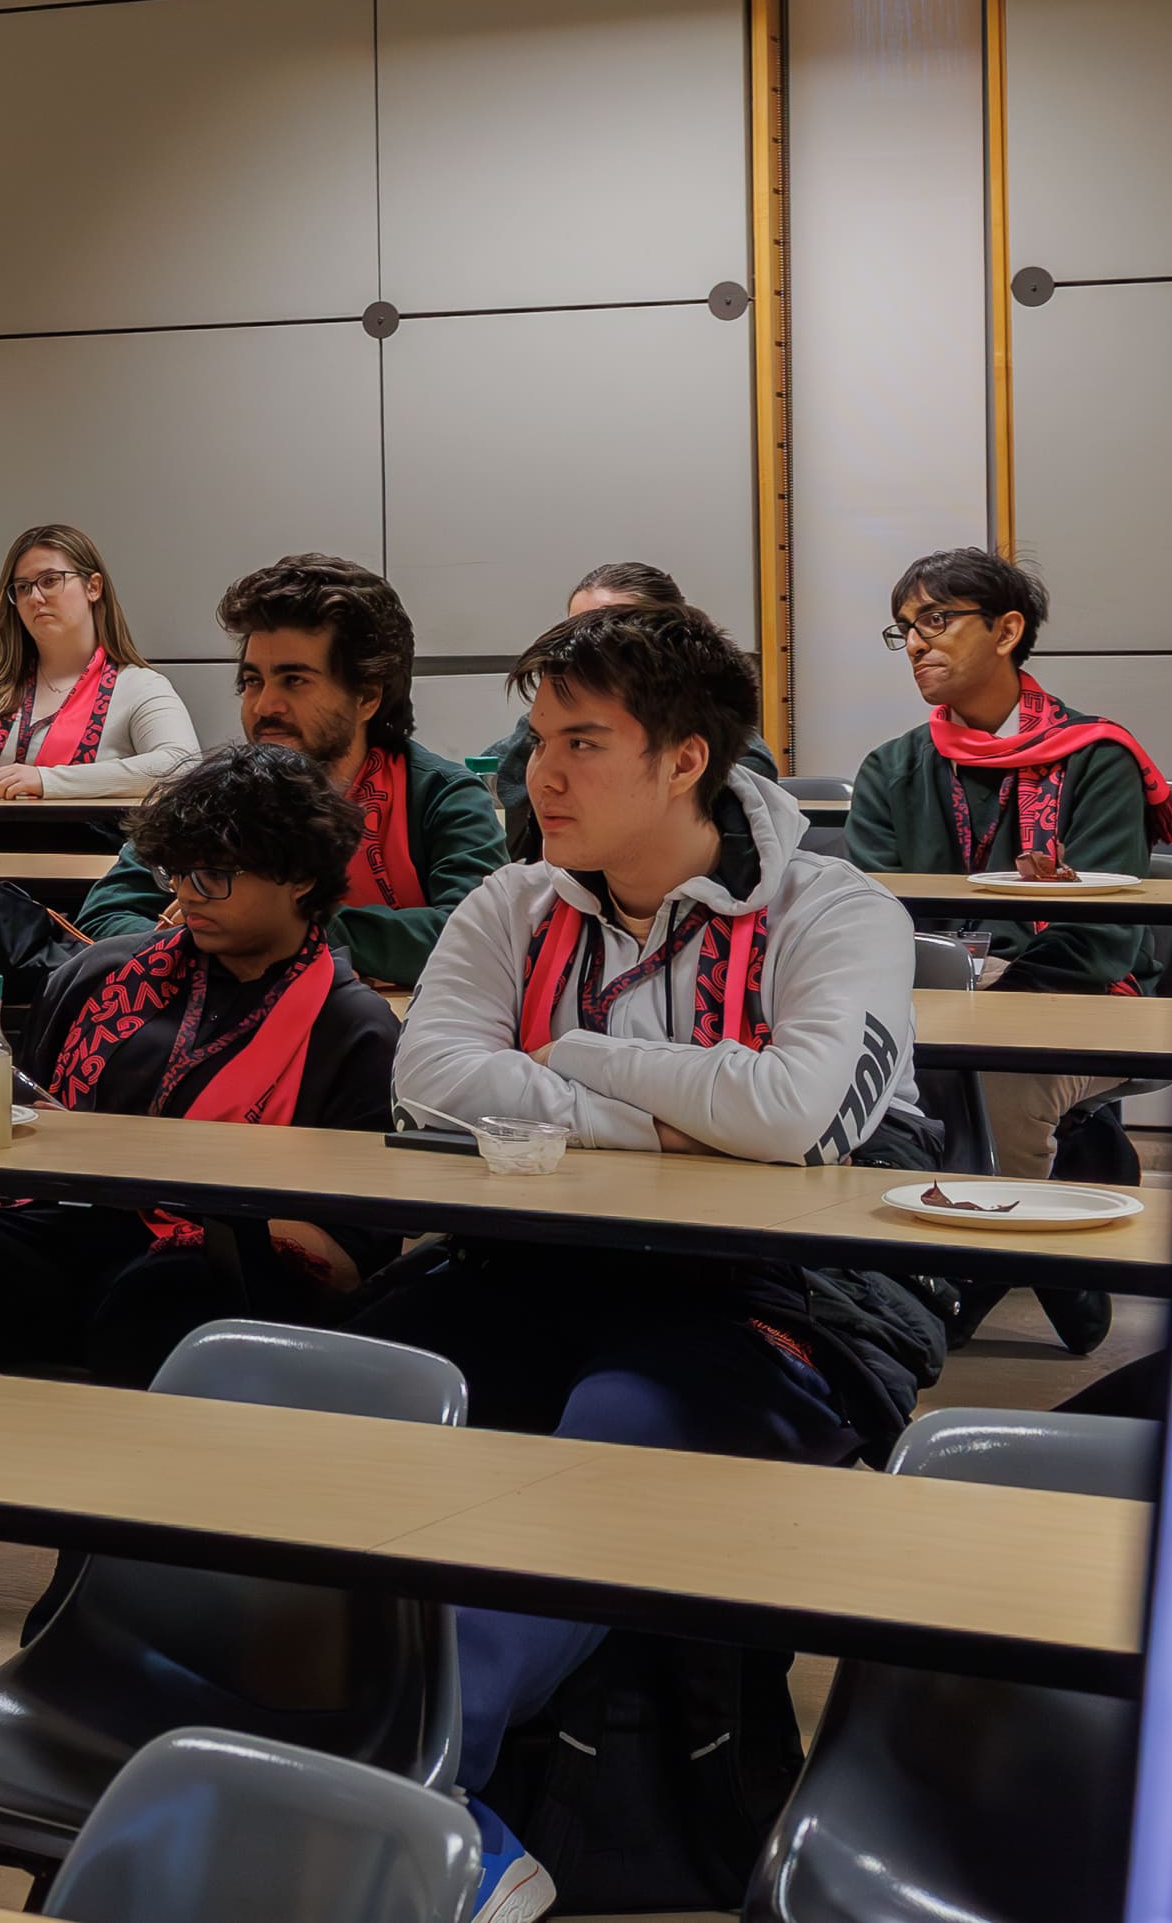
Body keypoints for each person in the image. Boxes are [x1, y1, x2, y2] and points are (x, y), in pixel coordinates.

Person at [355, 601, 941, 1923]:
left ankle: (410, 1784)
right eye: (534, 739)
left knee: (618, 1426)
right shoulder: (510, 902)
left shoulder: (833, 910)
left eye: (583, 741)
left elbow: (794, 1115)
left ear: (686, 758)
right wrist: (682, 1107)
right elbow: (431, 1075)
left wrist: (572, 1056)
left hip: (787, 1291)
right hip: (542, 1261)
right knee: (355, 1382)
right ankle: (339, 1762)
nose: (539, 775)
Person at [0, 743, 404, 1708]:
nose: (186, 894)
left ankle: (76, 1663)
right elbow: (34, 1139)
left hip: (229, 1259)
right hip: (66, 1228)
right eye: (177, 870)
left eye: (214, 873)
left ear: (299, 876)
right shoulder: (107, 975)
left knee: (155, 1311)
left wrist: (209, 1189)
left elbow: (351, 1253)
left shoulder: (351, 1026)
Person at [844, 546, 1172, 1180]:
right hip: (937, 1002)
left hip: (1084, 999)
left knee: (996, 1086)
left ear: (1007, 630)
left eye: (936, 620)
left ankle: (974, 1270)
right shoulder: (891, 769)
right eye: (905, 629)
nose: (916, 644)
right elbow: (876, 921)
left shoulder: (1096, 756)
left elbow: (1103, 941)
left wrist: (996, 980)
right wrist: (969, 978)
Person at [79, 554, 502, 987]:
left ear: (367, 698)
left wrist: (283, 928)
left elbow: (477, 938)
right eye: (253, 682)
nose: (264, 707)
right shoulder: (210, 797)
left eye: (294, 680)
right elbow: (105, 915)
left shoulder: (442, 797)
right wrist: (205, 943)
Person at [0, 524, 198, 800]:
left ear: (93, 587)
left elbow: (183, 766)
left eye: (50, 580)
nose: (35, 598)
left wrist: (47, 781)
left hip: (79, 861)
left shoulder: (137, 686)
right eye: (23, 587)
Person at [482, 563, 773, 859]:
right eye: (571, 634)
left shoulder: (738, 757)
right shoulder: (528, 741)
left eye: (611, 636)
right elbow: (484, 776)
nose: (580, 650)